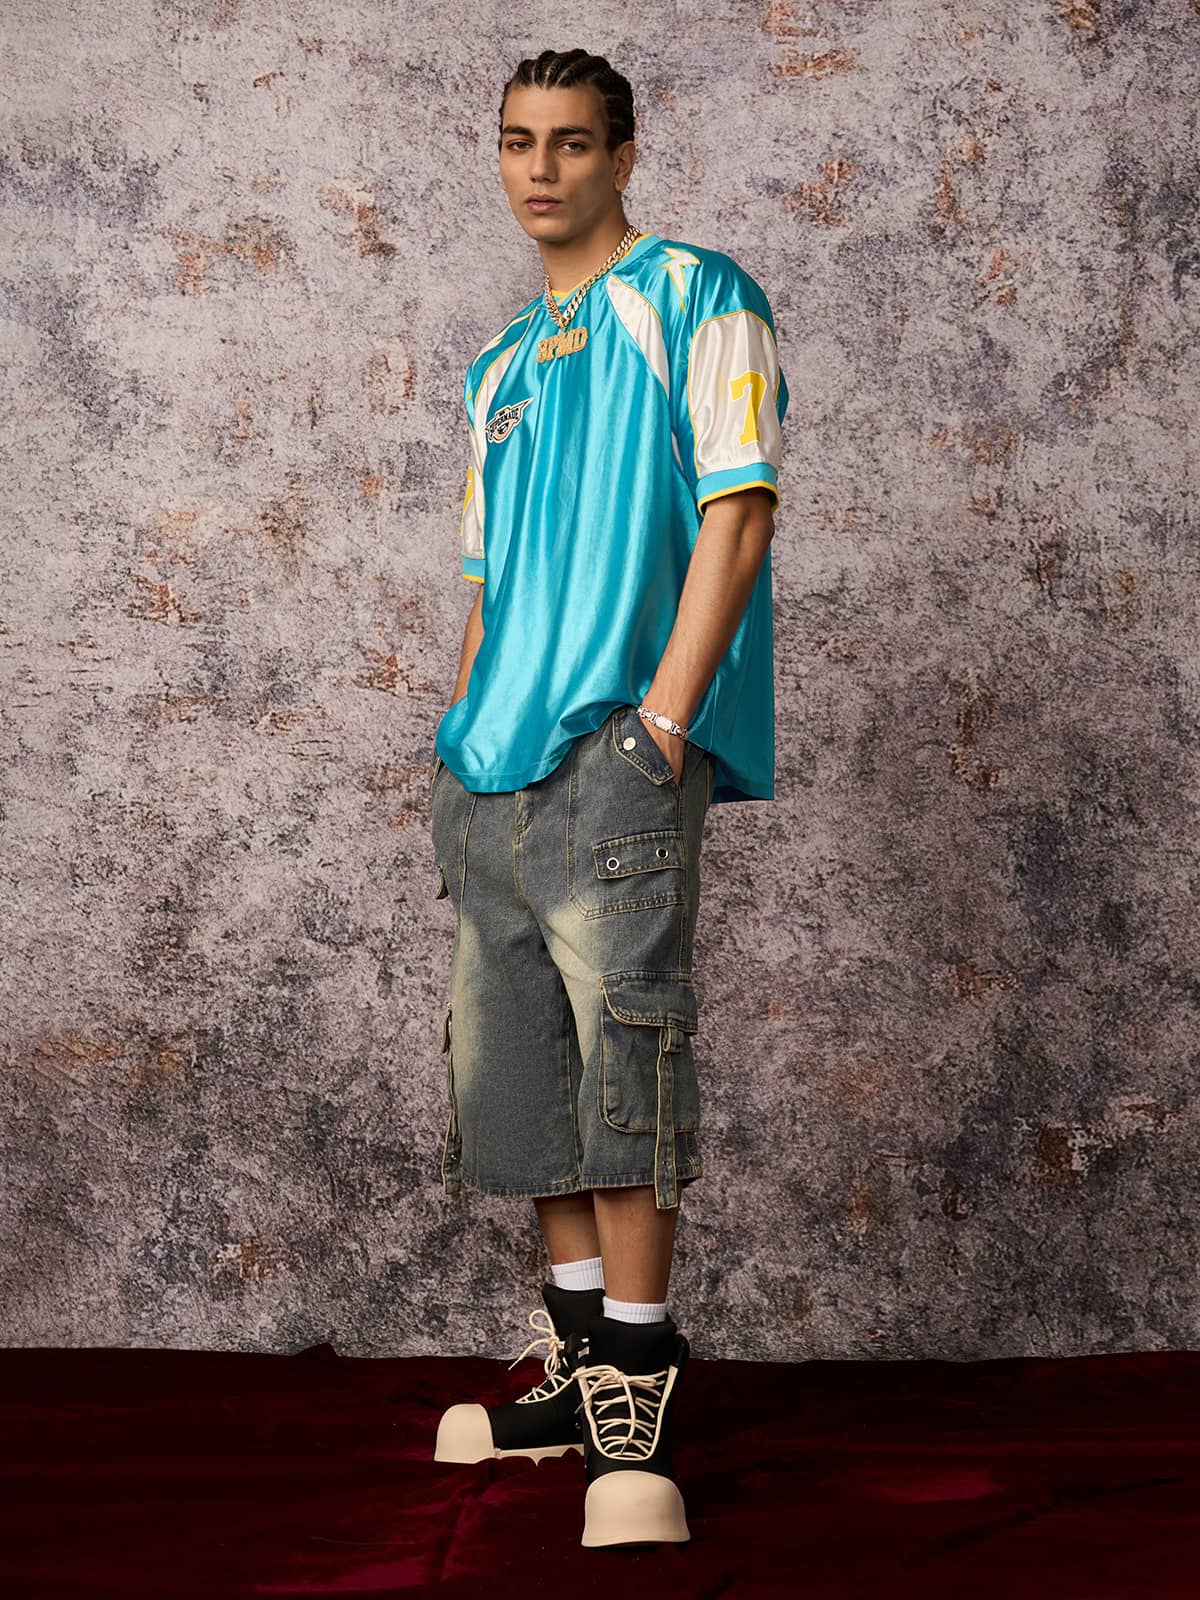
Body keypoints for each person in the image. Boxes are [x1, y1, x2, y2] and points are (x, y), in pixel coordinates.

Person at [428, 48, 788, 1549]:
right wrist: (456, 737)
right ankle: (579, 1375)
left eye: (573, 143)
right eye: (519, 141)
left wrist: (663, 727)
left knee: (625, 1076)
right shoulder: (500, 365)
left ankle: (639, 1392)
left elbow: (738, 511)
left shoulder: (698, 294)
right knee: (526, 1092)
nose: (542, 169)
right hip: (492, 772)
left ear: (624, 154)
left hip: (618, 756)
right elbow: (488, 582)